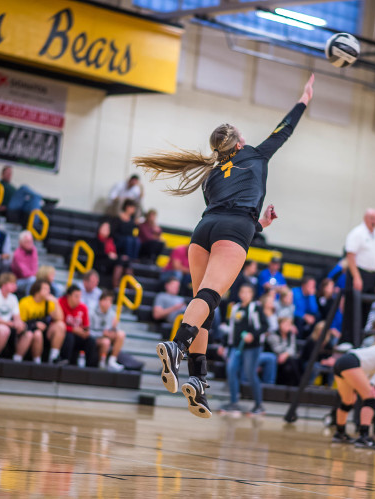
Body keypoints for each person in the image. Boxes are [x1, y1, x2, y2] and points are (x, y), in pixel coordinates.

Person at [134, 74, 315, 417]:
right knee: (209, 299)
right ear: (238, 141)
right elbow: (284, 129)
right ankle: (177, 346)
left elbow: (228, 212)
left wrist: (258, 224)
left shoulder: (211, 174)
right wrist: (304, 99)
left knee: (204, 304)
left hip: (203, 231)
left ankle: (198, 382)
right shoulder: (257, 154)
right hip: (233, 229)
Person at [222, 283, 269, 416]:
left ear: (252, 294)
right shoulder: (235, 308)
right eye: (242, 291)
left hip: (252, 348)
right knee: (231, 370)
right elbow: (230, 329)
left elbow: (265, 326)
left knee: (250, 374)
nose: (244, 294)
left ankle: (259, 405)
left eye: (247, 292)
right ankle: (233, 403)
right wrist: (224, 344)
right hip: (236, 346)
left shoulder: (256, 308)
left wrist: (252, 335)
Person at [342, 208, 375, 347]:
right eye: (371, 218)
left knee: (366, 308)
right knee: (352, 307)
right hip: (358, 272)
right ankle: (347, 341)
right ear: (365, 218)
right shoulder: (357, 233)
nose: (374, 221)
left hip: (372, 275)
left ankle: (358, 341)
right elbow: (350, 256)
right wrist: (356, 276)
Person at [19, 279, 66, 364]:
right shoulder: (26, 302)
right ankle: (22, 359)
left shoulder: (48, 302)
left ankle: (53, 357)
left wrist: (55, 302)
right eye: (45, 289)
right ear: (37, 290)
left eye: (49, 289)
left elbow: (60, 318)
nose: (49, 291)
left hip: (44, 331)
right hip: (27, 331)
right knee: (37, 334)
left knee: (60, 325)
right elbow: (20, 323)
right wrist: (34, 324)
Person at [0, 272, 27, 359]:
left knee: (27, 331)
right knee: (4, 330)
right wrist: (11, 323)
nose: (15, 286)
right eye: (12, 283)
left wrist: (19, 324)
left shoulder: (13, 298)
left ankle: (17, 358)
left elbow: (17, 317)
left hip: (6, 323)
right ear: (4, 284)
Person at [59, 285, 96, 366]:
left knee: (91, 341)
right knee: (69, 336)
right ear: (68, 296)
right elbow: (58, 324)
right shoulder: (60, 303)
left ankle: (91, 367)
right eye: (76, 296)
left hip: (78, 334)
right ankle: (64, 361)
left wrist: (86, 332)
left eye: (80, 296)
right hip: (63, 333)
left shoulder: (83, 307)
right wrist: (72, 329)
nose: (79, 299)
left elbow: (86, 326)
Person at [89, 290, 126, 371]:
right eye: (106, 300)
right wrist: (102, 334)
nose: (108, 303)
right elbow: (88, 331)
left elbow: (115, 331)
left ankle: (112, 361)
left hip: (107, 337)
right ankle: (101, 362)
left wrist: (114, 330)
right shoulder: (91, 312)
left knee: (121, 334)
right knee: (106, 342)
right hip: (94, 338)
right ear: (100, 301)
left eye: (110, 301)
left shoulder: (112, 314)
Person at [266, 316, 302, 386]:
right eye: (285, 324)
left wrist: (286, 354)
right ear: (280, 324)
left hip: (286, 358)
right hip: (275, 357)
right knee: (291, 362)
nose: (287, 327)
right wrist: (287, 353)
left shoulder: (291, 334)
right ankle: (298, 385)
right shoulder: (273, 334)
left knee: (293, 361)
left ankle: (295, 385)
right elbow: (276, 349)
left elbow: (293, 348)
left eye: (289, 325)